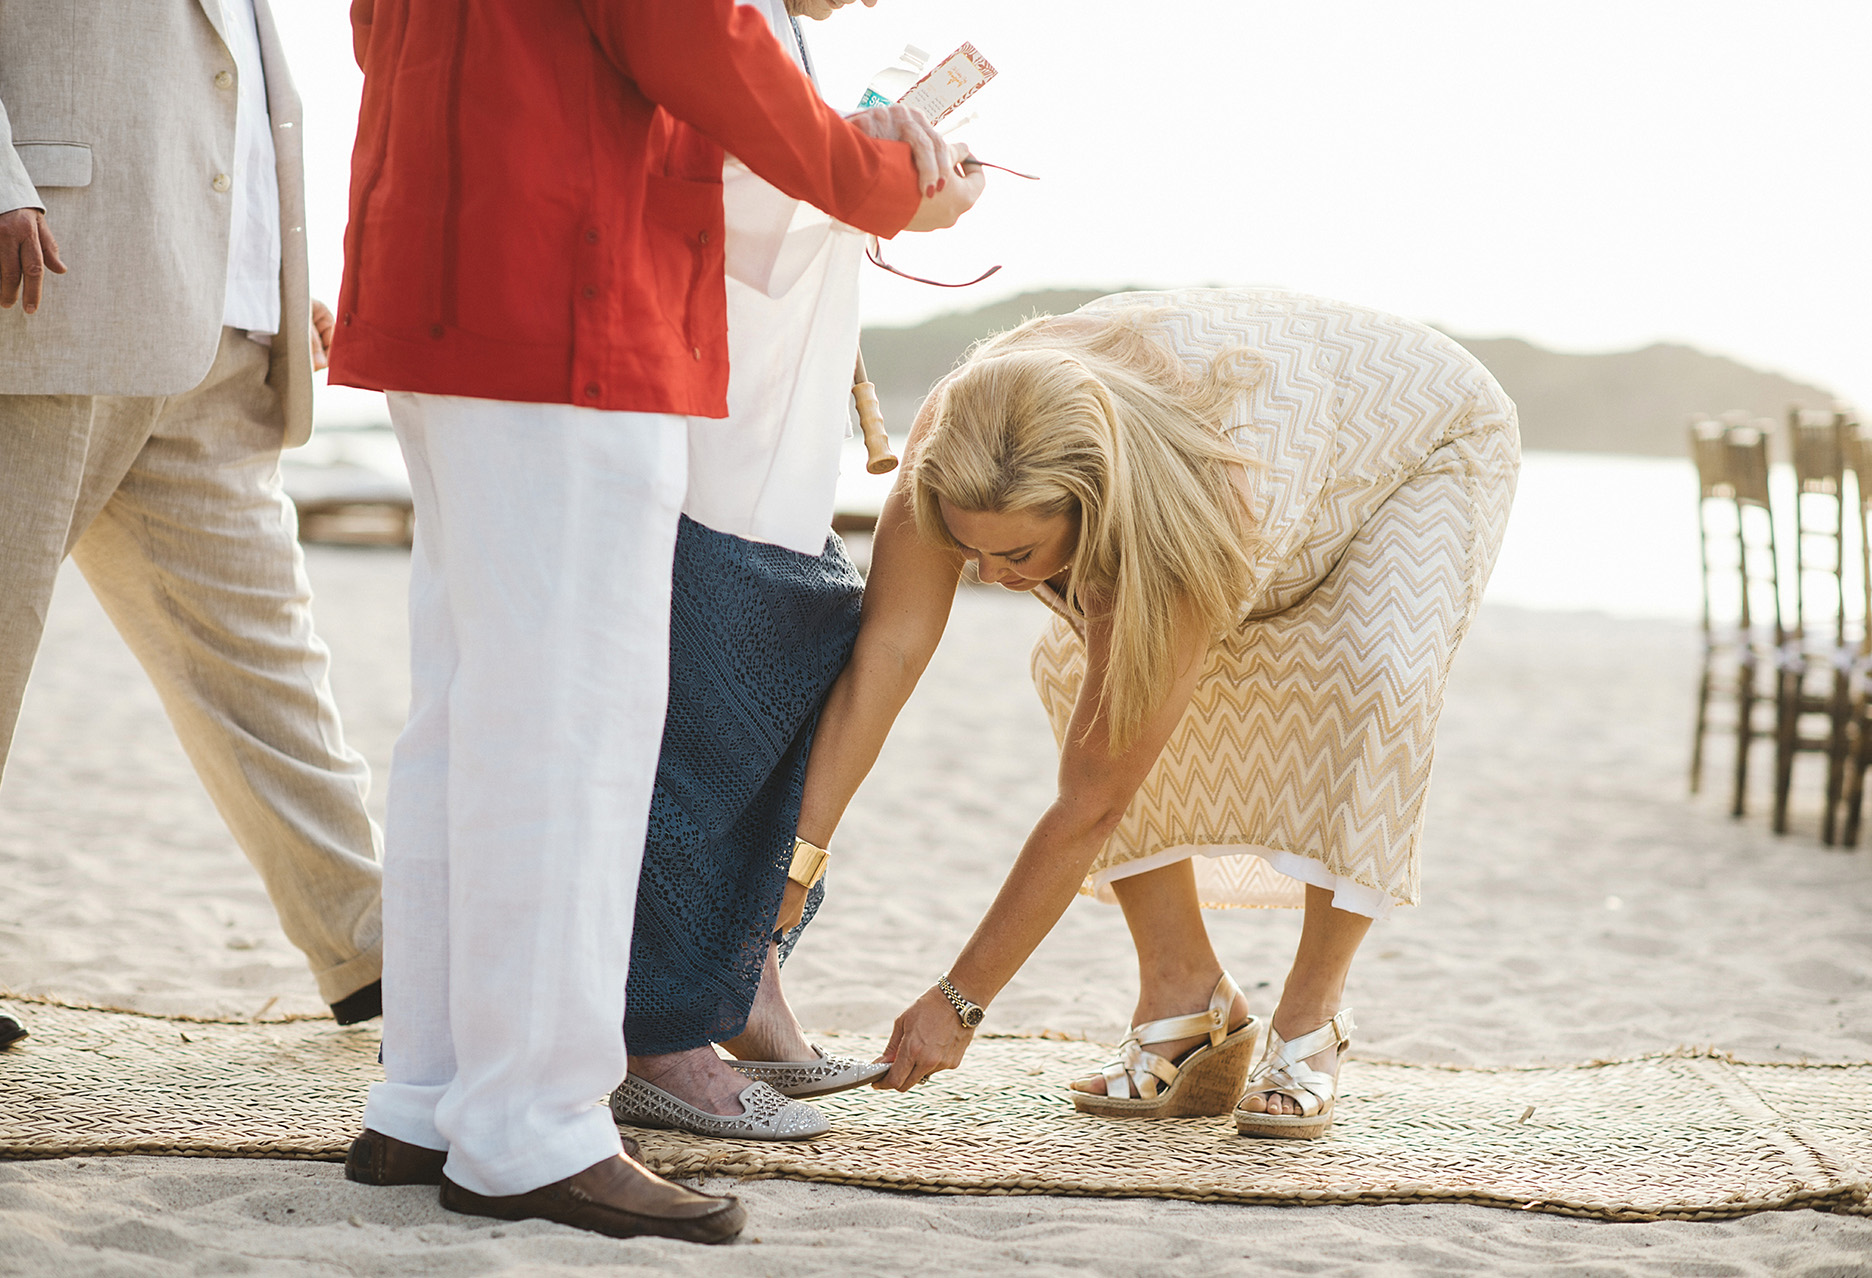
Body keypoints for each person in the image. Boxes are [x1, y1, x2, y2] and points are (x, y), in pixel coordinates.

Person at [329, 0, 980, 1243]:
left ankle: (427, 1094)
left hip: (435, 276)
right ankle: (532, 1128)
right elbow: (706, 43)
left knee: (465, 718)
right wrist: (891, 176)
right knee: (574, 737)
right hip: (572, 296)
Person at [782, 288, 1519, 1139]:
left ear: (1093, 501)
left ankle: (1310, 1017)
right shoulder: (959, 437)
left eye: (1016, 553)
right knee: (1078, 672)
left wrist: (961, 1002)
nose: (986, 576)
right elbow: (890, 653)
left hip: (1417, 430)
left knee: (1368, 678)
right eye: (966, 548)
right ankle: (1187, 996)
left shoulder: (1193, 504)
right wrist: (798, 861)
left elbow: (1092, 800)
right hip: (1275, 427)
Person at [0, 0, 385, 1056]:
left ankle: (374, 950)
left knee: (265, 661)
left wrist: (274, 282)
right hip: (40, 296)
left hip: (212, 329)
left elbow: (219, 89)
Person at [612, 0, 900, 1143]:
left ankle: (742, 993)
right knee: (703, 738)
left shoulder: (783, 26)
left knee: (775, 715)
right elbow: (754, 206)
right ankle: (662, 1032)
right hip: (712, 417)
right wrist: (896, 177)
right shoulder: (723, 21)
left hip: (773, 427)